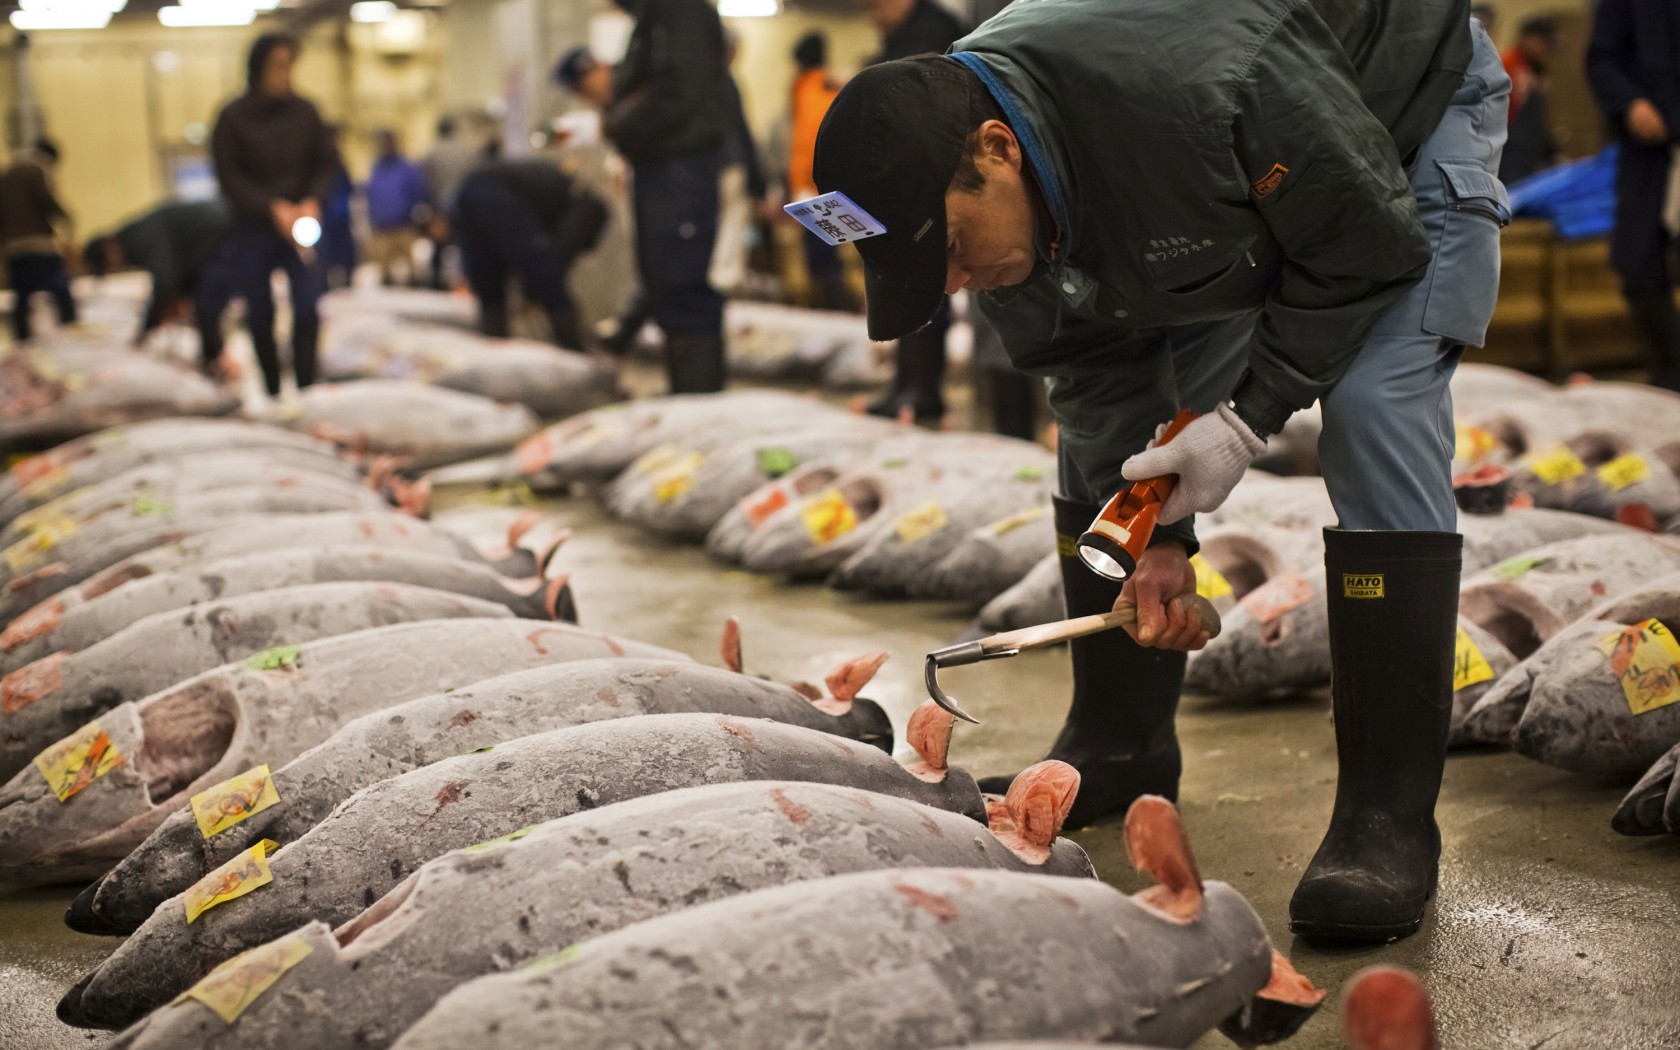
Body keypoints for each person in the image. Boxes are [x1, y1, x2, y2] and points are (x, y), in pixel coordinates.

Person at [805, 0, 1508, 943]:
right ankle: (1121, 739)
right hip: (1209, 180)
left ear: (997, 151)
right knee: (1093, 441)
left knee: (1376, 410)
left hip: (1400, 113)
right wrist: (1155, 541)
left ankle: (1387, 815)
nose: (959, 280)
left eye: (955, 250)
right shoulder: (998, 182)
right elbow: (1095, 374)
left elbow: (1364, 247)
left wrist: (1248, 418)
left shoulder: (1203, 83)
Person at [593, 0, 732, 394]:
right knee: (664, 284)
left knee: (682, 283)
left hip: (681, 166)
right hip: (664, 165)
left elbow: (678, 91)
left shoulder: (678, 10)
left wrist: (617, 122)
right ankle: (687, 396)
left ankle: (699, 404)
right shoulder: (654, 15)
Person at [210, 33, 339, 401]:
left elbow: (325, 164)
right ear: (258, 68)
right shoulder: (233, 118)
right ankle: (271, 390)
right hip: (255, 228)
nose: (285, 74)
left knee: (308, 307)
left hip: (302, 225)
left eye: (289, 66)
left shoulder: (306, 112)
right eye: (277, 66)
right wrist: (270, 206)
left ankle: (306, 389)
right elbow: (228, 175)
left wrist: (313, 200)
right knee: (260, 312)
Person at [862, 0, 965, 426]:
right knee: (902, 281)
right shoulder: (899, 35)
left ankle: (923, 390)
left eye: (874, 5)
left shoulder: (934, 30)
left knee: (932, 284)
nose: (872, 15)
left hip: (933, 181)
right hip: (901, 180)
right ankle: (907, 385)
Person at [1587, 0, 1680, 392]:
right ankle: (1671, 372)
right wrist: (1631, 102)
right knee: (1638, 265)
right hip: (1650, 152)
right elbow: (1601, 59)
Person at [449, 157, 608, 349]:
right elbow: (552, 259)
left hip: (468, 194)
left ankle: (495, 357)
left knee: (489, 289)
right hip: (494, 195)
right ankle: (579, 353)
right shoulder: (589, 207)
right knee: (546, 278)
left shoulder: (567, 196)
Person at [83, 199, 233, 374]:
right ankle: (212, 361)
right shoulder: (135, 237)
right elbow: (180, 269)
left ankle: (215, 364)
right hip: (211, 242)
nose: (116, 269)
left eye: (109, 268)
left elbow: (165, 281)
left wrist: (146, 329)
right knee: (202, 305)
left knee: (207, 304)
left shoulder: (140, 238)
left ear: (108, 251)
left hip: (223, 233)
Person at [787, 32, 852, 311]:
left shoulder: (806, 90)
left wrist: (799, 185)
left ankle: (835, 309)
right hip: (837, 180)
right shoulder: (834, 87)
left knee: (822, 255)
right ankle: (838, 308)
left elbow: (804, 144)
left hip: (812, 185)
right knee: (831, 250)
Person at [0, 138, 77, 342]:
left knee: (22, 295)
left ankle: (22, 341)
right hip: (37, 242)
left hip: (12, 247)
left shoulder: (8, 173)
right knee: (60, 290)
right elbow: (46, 201)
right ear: (48, 157)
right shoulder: (34, 170)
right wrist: (67, 217)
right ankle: (71, 333)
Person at [421, 116, 482, 290]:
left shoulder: (433, 152)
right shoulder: (467, 151)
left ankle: (436, 282)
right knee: (465, 243)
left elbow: (427, 181)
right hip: (466, 202)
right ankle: (467, 280)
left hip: (442, 204)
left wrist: (431, 206)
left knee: (439, 245)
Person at [1499, 16, 1560, 184]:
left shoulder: (1535, 68)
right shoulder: (1507, 63)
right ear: (1528, 38)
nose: (1546, 50)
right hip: (1507, 149)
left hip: (1528, 154)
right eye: (1543, 43)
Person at [365, 129, 428, 286]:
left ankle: (415, 288)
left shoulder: (407, 168)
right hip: (382, 226)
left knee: (410, 267)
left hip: (404, 224)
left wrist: (414, 214)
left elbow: (418, 191)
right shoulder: (376, 168)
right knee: (384, 270)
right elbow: (371, 194)